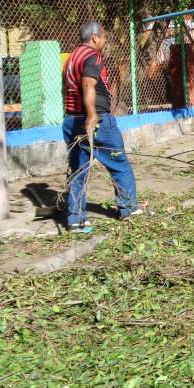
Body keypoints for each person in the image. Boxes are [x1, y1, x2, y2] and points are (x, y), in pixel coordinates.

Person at [63, 21, 141, 233]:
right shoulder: (92, 55)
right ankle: (128, 209)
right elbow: (88, 84)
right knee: (119, 164)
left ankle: (76, 220)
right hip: (96, 122)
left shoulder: (72, 58)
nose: (104, 42)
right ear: (95, 38)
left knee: (78, 171)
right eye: (104, 37)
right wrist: (91, 115)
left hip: (71, 120)